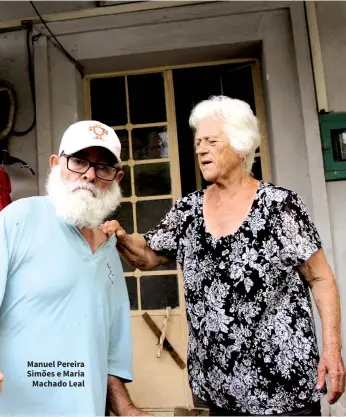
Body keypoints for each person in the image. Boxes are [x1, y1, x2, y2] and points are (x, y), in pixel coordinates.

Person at [100, 96, 345, 416]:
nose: (200, 148)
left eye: (211, 141)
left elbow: (320, 276)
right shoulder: (187, 211)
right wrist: (121, 238)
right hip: (218, 391)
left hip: (282, 388)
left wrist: (332, 348)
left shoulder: (278, 205)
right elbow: (148, 255)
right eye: (198, 141)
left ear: (241, 146)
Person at [0, 120, 147, 416]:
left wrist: (127, 410)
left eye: (103, 167)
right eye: (78, 161)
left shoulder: (111, 253)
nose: (89, 174)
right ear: (56, 163)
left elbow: (107, 359)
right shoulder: (21, 219)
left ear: (117, 178)